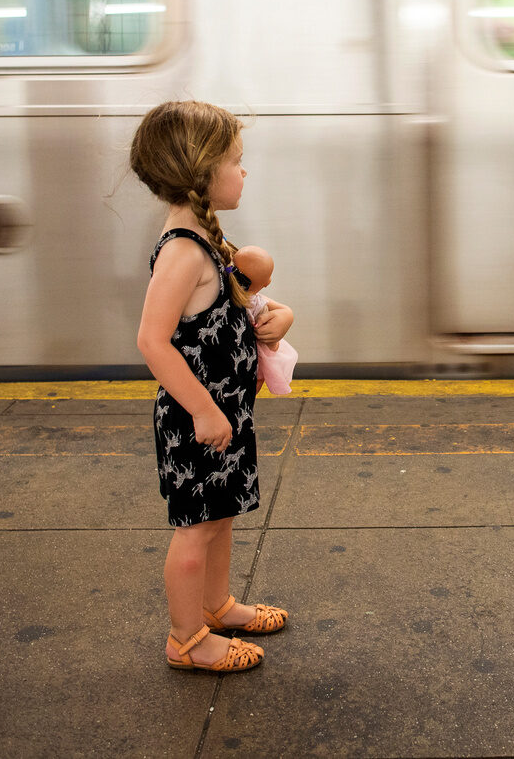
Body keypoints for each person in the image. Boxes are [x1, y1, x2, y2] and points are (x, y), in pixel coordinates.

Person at [131, 100, 294, 673]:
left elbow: (237, 304)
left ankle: (216, 605)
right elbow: (152, 341)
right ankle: (187, 639)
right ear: (202, 170)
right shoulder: (181, 250)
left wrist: (281, 318)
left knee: (219, 516)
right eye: (236, 161)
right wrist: (202, 411)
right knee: (194, 529)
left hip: (225, 412)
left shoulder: (205, 240)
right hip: (198, 418)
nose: (243, 172)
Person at [228, 245, 297, 396]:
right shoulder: (257, 302)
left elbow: (283, 310)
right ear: (267, 282)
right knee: (259, 375)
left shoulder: (228, 295)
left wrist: (287, 314)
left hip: (245, 354)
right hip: (257, 350)